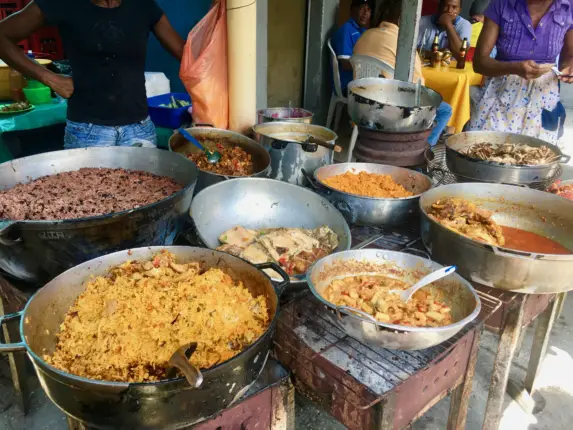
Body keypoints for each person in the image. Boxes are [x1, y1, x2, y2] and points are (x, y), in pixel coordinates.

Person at [0, 0, 185, 148]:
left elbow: (184, 54)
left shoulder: (143, 5)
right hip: (87, 132)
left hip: (139, 129)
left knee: (149, 195)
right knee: (89, 196)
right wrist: (50, 78)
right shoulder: (62, 3)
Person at [471, 0, 573, 143]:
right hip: (500, 93)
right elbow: (479, 62)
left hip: (543, 97)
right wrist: (513, 68)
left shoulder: (568, 8)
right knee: (483, 150)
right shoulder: (502, 4)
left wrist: (569, 66)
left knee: (534, 157)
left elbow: (569, 56)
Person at [354, 0, 453, 146]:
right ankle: (421, 151)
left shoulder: (365, 36)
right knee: (445, 110)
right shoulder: (402, 44)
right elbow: (418, 87)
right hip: (393, 110)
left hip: (362, 105)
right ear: (404, 19)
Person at [331, 0, 372, 94]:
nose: (365, 13)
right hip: (347, 85)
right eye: (362, 8)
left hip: (359, 81)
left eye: (368, 10)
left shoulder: (363, 31)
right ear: (352, 10)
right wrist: (369, 68)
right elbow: (345, 64)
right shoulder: (346, 30)